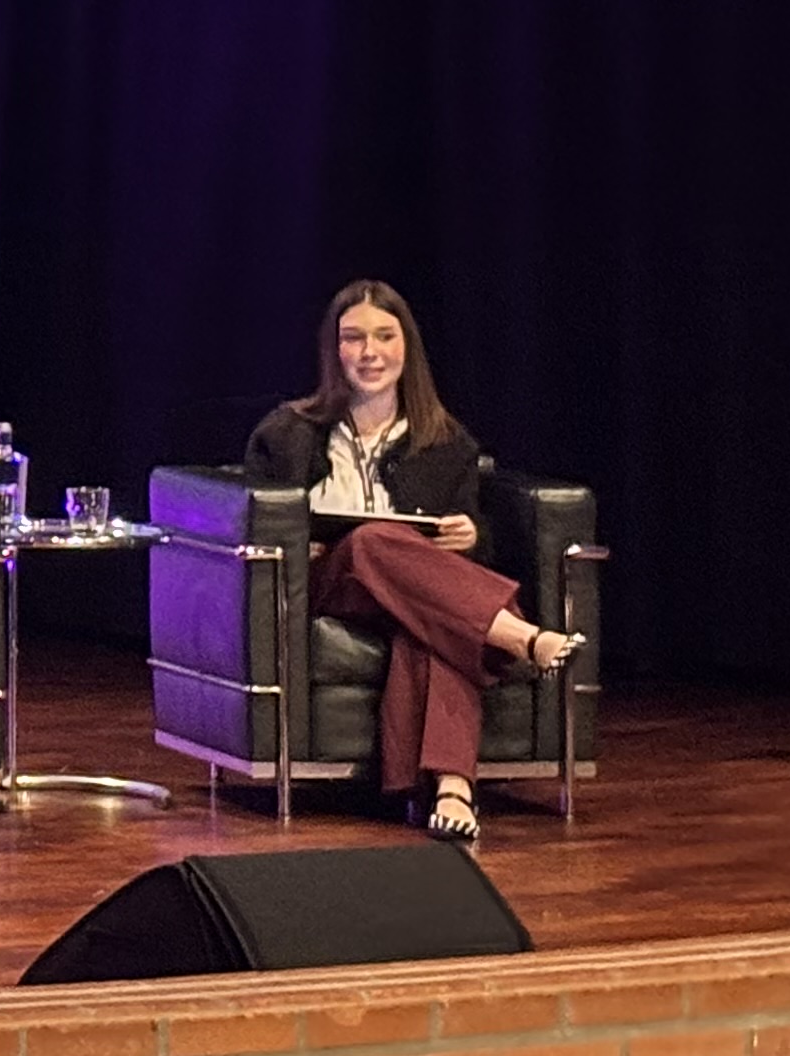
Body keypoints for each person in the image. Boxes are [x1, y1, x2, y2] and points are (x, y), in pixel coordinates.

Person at [243, 279, 580, 849]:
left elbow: (471, 550)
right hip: (327, 584)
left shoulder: (446, 443)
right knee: (373, 541)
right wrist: (296, 542)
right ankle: (521, 636)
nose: (369, 352)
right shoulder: (287, 433)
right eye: (354, 338)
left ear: (408, 348)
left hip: (412, 593)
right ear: (334, 349)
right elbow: (253, 519)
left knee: (435, 627)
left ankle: (450, 789)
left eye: (384, 337)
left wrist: (470, 536)